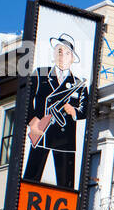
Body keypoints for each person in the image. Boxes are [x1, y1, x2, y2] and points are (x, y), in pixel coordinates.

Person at [23, 33, 89, 190]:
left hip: (65, 139)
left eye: (67, 53)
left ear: (72, 58)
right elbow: (26, 100)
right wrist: (32, 122)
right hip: (41, 134)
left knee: (66, 188)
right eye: (59, 51)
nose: (62, 56)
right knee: (30, 182)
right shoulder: (40, 74)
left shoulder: (79, 84)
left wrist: (73, 111)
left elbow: (84, 110)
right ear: (53, 54)